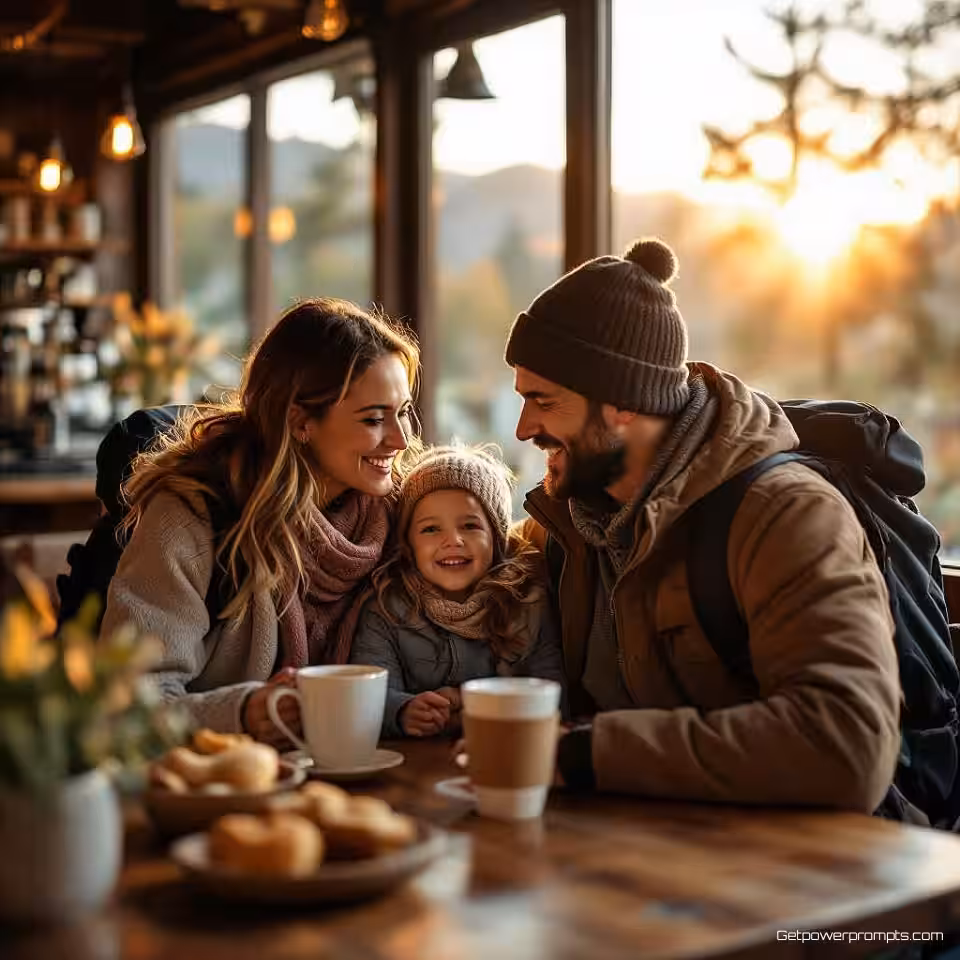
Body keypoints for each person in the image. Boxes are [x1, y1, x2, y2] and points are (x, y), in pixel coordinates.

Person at [504, 237, 900, 812]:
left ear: (623, 403)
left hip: (805, 858)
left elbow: (848, 747)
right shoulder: (568, 521)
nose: (522, 428)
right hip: (643, 844)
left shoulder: (787, 516)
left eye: (544, 401)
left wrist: (586, 754)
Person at [100, 298, 421, 746]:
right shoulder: (193, 515)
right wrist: (244, 712)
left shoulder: (403, 514)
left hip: (362, 764)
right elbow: (125, 707)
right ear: (300, 422)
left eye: (403, 412)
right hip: (222, 775)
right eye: (373, 419)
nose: (401, 440)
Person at [349, 444, 564, 738]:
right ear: (408, 543)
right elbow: (369, 691)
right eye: (430, 529)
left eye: (470, 526)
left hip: (501, 751)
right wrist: (403, 710)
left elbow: (553, 693)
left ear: (496, 538)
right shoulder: (386, 608)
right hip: (415, 759)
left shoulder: (528, 601)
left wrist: (477, 704)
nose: (453, 540)